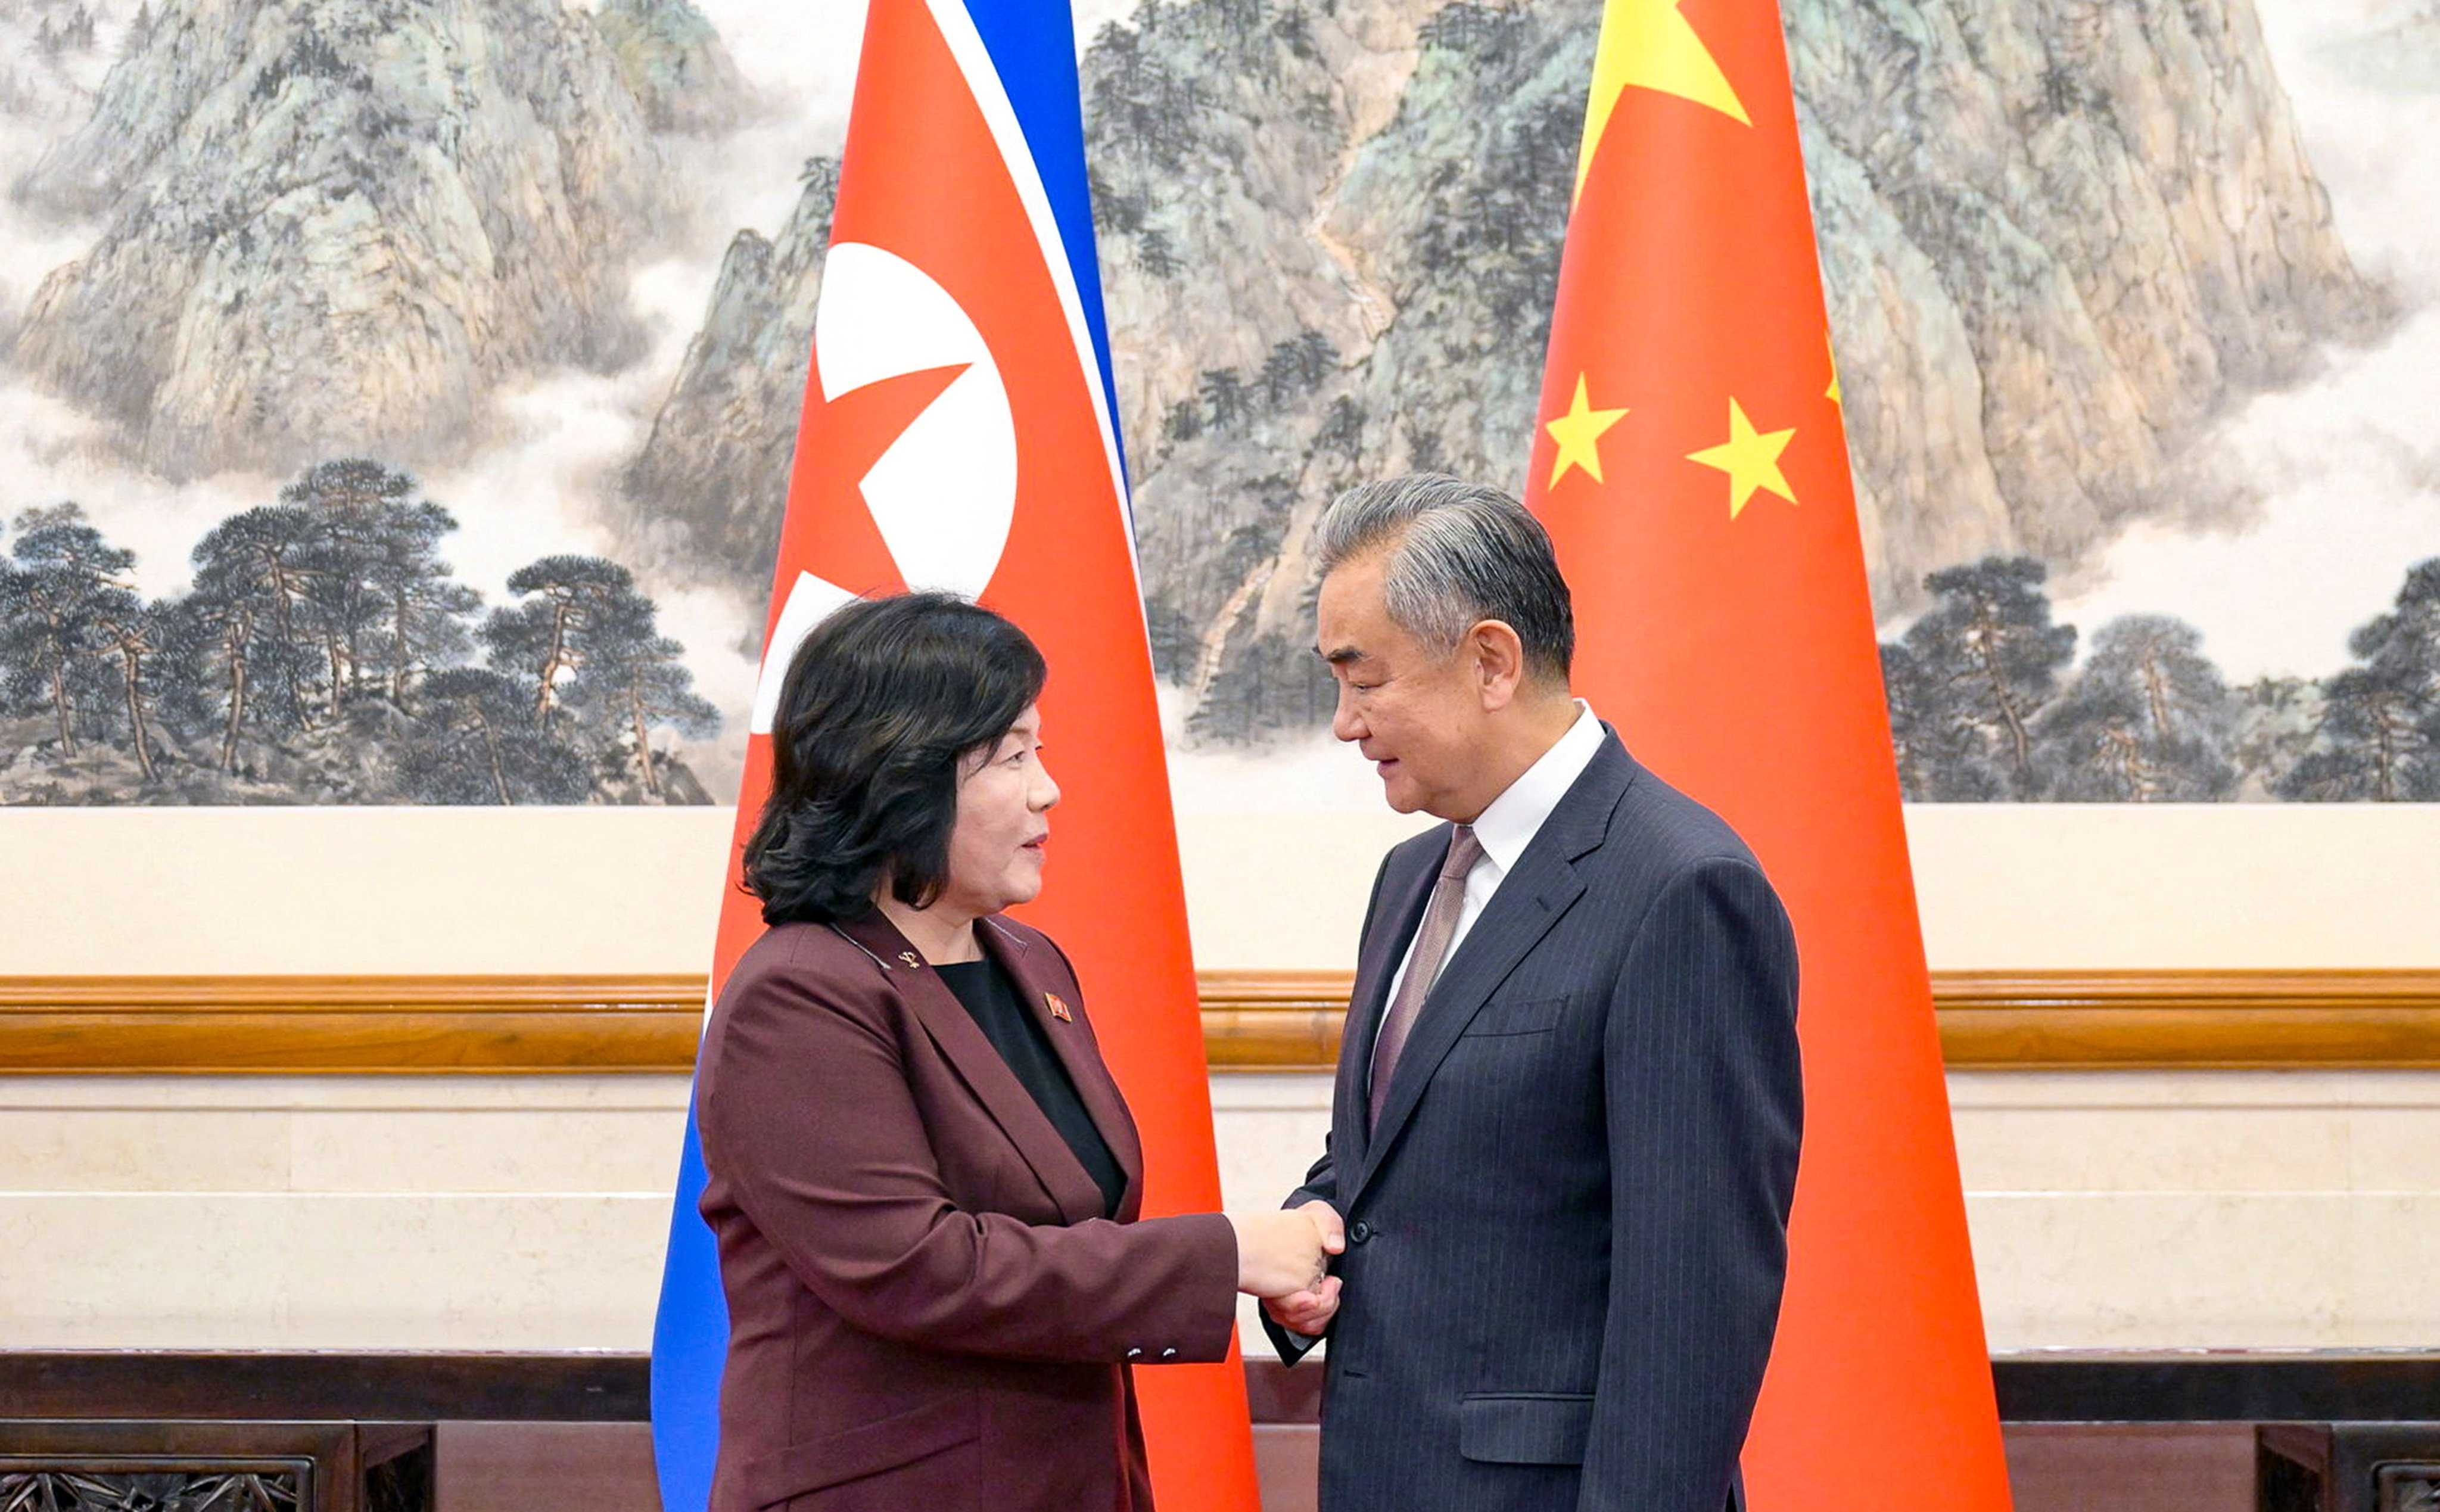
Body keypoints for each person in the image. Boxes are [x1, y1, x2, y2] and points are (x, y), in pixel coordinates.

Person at [696, 591, 1339, 1512]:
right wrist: (1226, 1253)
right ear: (901, 776)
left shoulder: (1028, 961)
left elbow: (1078, 1227)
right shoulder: (798, 995)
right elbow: (921, 1269)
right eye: (1012, 756)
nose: (1049, 788)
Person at [1258, 475, 1803, 1512]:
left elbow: (1694, 1303)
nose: (1343, 722)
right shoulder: (1409, 878)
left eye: (1363, 679)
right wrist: (1309, 1240)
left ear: (1492, 661)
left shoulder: (1681, 889)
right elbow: (1395, 1154)